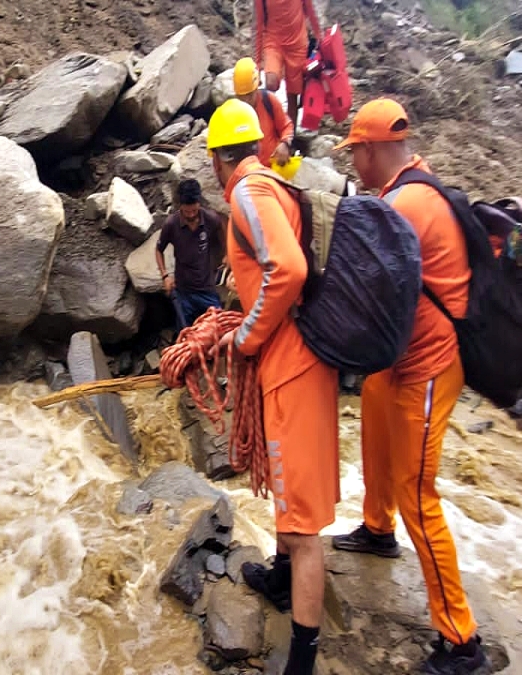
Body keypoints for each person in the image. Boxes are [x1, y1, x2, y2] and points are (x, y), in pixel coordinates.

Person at [331, 98, 490, 675]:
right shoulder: (411, 188)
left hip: (427, 364)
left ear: (372, 148)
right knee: (372, 411)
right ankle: (377, 526)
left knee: (418, 492)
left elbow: (357, 282)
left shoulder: (404, 203)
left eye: (355, 154)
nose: (354, 165)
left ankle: (461, 640)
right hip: (396, 359)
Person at [207, 99, 340, 675]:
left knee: (305, 525)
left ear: (217, 157)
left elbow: (288, 269)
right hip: (298, 360)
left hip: (293, 364)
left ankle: (303, 661)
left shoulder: (245, 192)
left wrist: (247, 338)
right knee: (289, 490)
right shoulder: (272, 182)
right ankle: (282, 580)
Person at [156, 179, 225, 330]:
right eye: (186, 212)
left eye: (194, 211)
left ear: (199, 203)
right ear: (180, 205)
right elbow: (158, 250)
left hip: (207, 288)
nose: (191, 215)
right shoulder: (171, 224)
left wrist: (226, 255)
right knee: (185, 333)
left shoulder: (210, 219)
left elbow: (223, 229)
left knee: (218, 328)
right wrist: (165, 276)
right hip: (183, 291)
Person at [253, 0, 322, 128]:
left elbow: (312, 12)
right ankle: (269, 127)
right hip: (273, 43)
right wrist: (256, 63)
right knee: (271, 83)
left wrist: (320, 39)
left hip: (297, 44)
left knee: (292, 95)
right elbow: (258, 24)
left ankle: (290, 139)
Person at [232, 57, 294, 168]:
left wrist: (285, 143)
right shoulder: (233, 114)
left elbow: (286, 126)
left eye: (250, 95)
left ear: (257, 87)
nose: (246, 100)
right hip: (249, 172)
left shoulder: (268, 100)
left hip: (273, 168)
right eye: (242, 97)